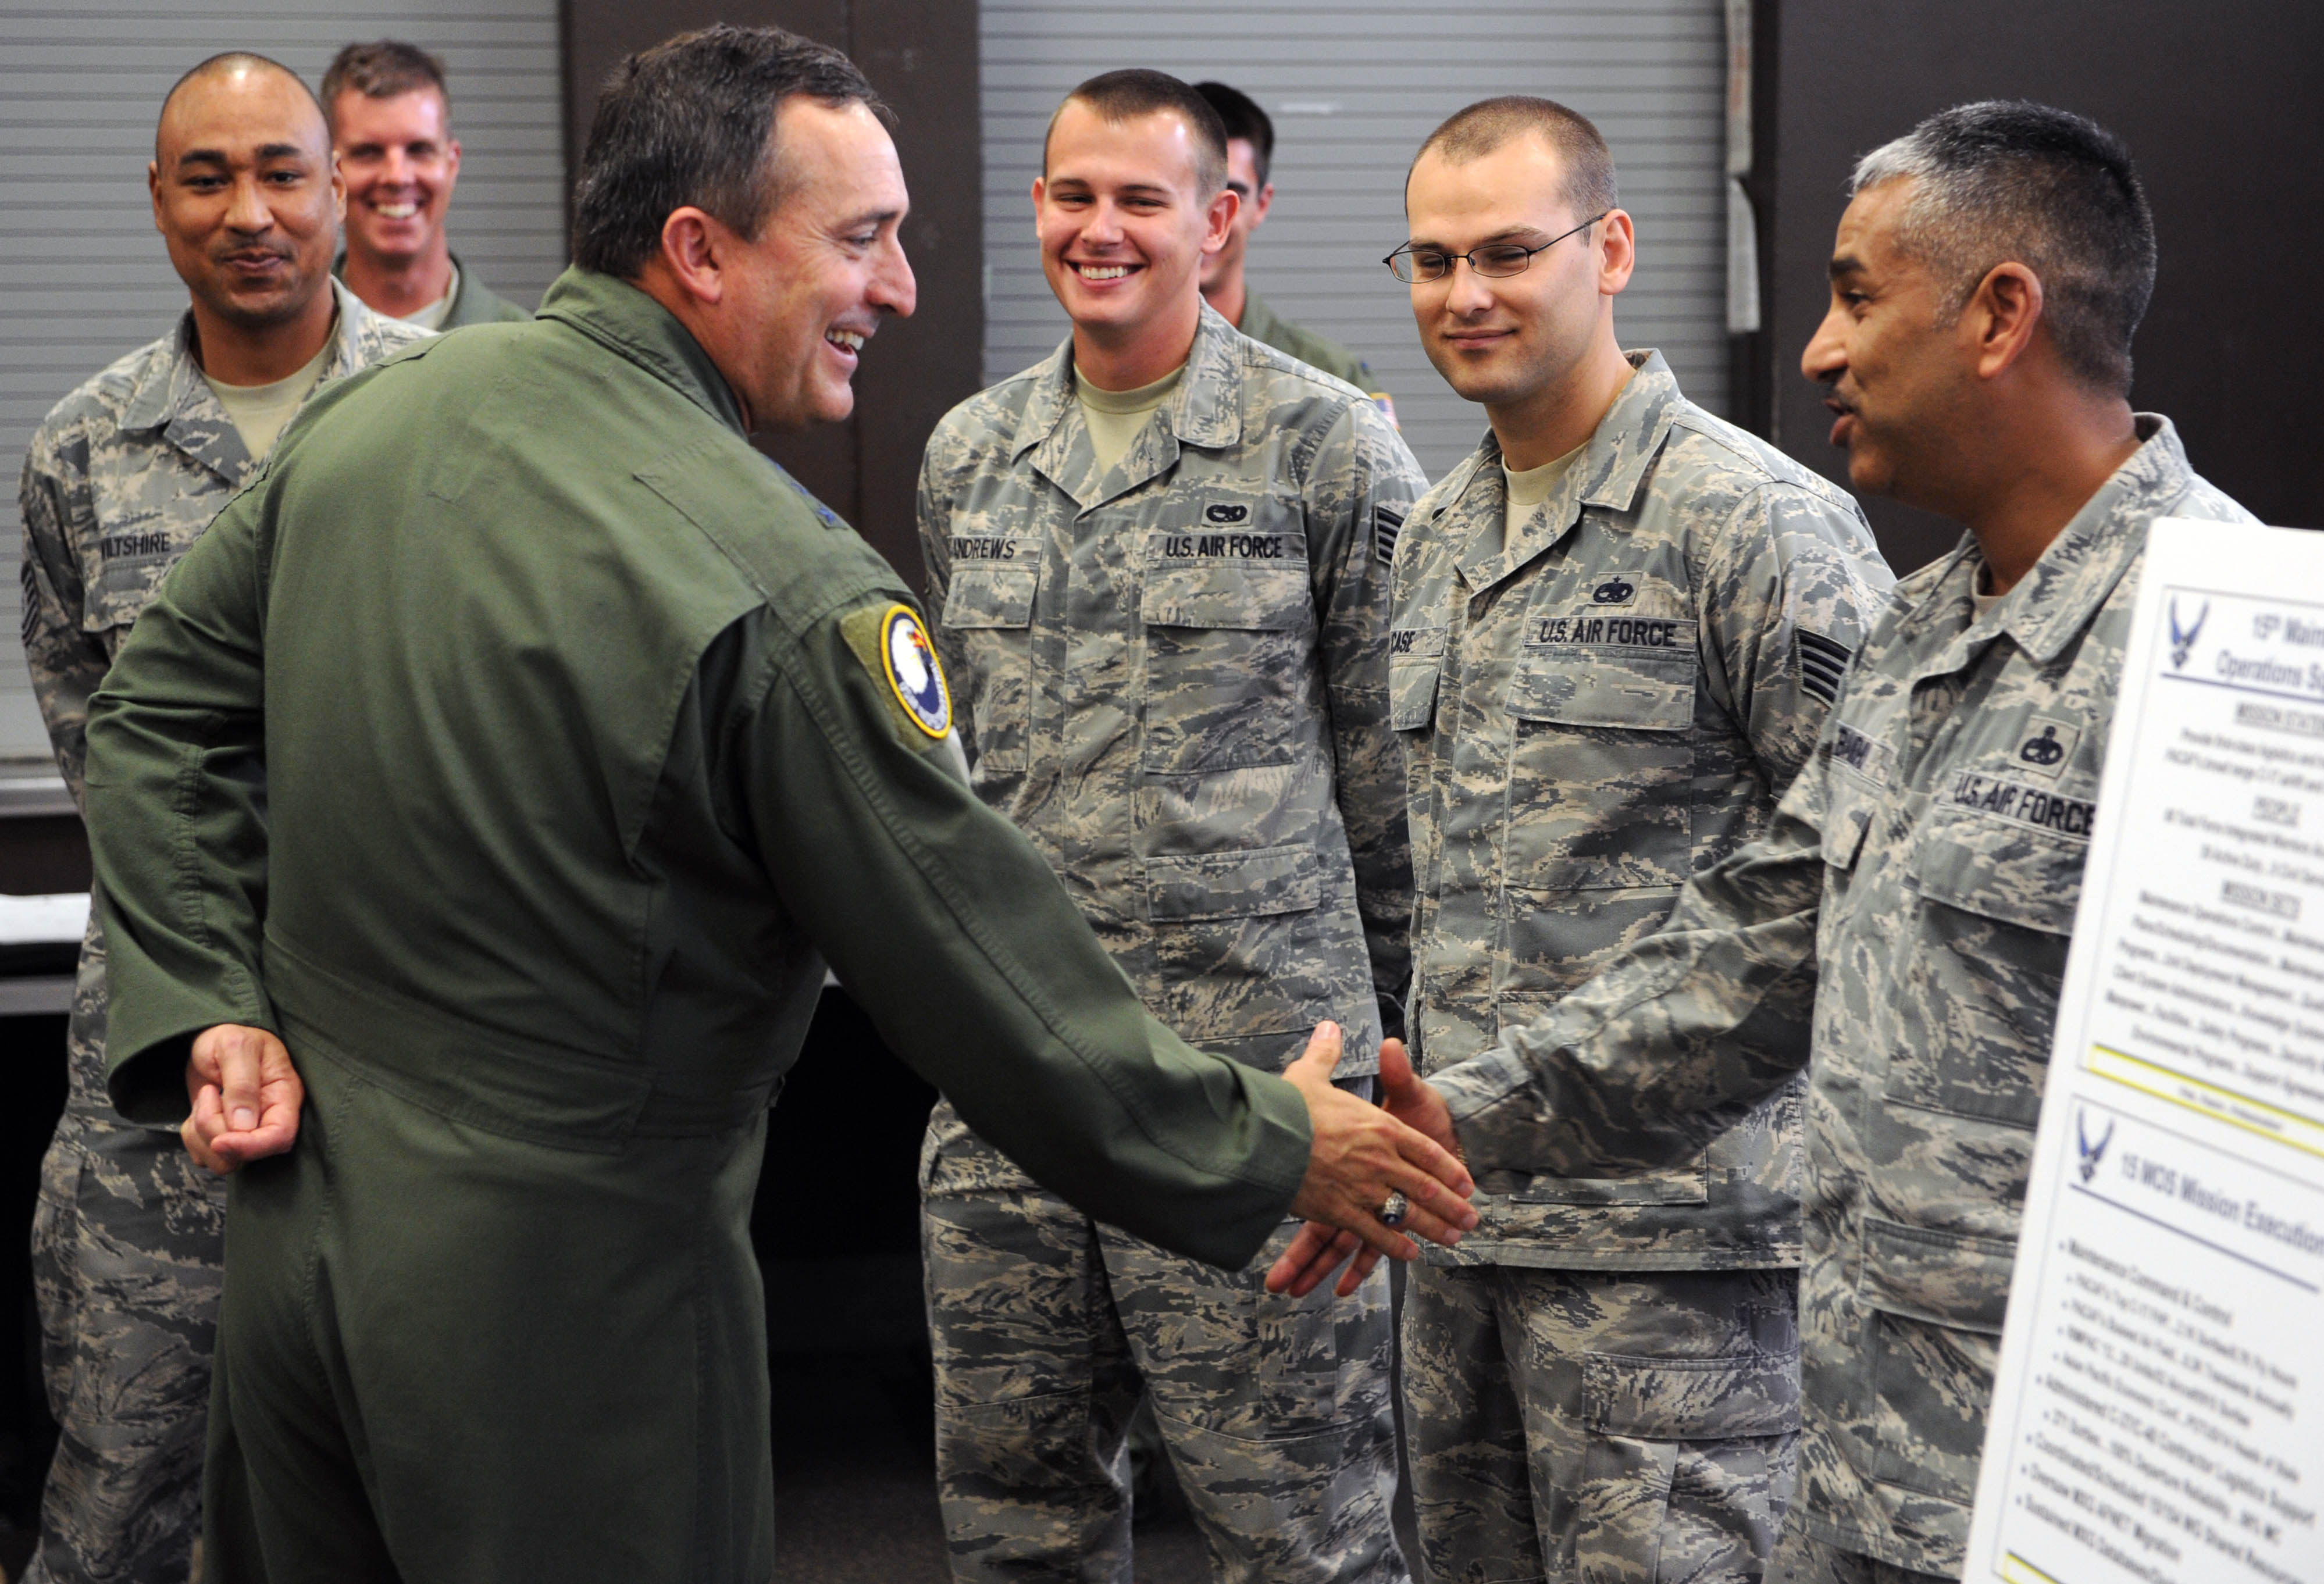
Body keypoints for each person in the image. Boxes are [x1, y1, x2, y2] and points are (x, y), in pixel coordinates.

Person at [78, 28, 1475, 1582]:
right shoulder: (778, 581)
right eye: (864, 239)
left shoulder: (370, 423)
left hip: (291, 1278)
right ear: (699, 249)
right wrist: (1279, 1139)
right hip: (565, 1308)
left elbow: (151, 718)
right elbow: (979, 975)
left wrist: (216, 996)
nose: (900, 290)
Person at [1272, 100, 2257, 1584]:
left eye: (1855, 296)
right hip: (1857, 1469)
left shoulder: (2234, 650)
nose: (1814, 349)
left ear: (1999, 315)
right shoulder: (1929, 634)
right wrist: (1449, 1120)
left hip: (2080, 1486)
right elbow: (1750, 956)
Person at [1369, 95, 1893, 1584]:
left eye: (1504, 253)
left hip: (1670, 1261)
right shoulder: (1434, 536)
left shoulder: (1748, 527)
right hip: (1460, 1234)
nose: (1461, 295)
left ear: (1607, 249)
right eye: (1428, 259)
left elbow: (1855, 880)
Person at [917, 68, 1425, 1584]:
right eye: (1073, 194)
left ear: (1217, 218)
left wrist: (1401, 1076)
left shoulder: (1329, 449)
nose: (1100, 228)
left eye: (1140, 198)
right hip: (1021, 1099)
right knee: (1014, 1521)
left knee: (1301, 1535)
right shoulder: (969, 455)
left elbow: (1397, 802)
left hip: (1263, 1100)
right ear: (1036, 210)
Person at [12, 52, 427, 1584]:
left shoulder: (450, 416)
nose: (249, 212)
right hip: (156, 1076)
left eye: (282, 171)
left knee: (403, 1492)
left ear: (344, 187)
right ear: (158, 198)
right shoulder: (82, 448)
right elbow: (102, 749)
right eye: (207, 177)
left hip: (404, 1051)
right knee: (122, 1493)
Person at [1193, 80, 1392, 419]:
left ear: (1262, 205)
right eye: (1192, 190)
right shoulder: (1102, 369)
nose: (1210, 221)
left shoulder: (1331, 380)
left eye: (1233, 195)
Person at [323, 39, 530, 328]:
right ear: (330, 173)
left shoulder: (520, 349)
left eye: (419, 150)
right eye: (368, 152)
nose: (397, 177)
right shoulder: (284, 344)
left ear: (452, 163)